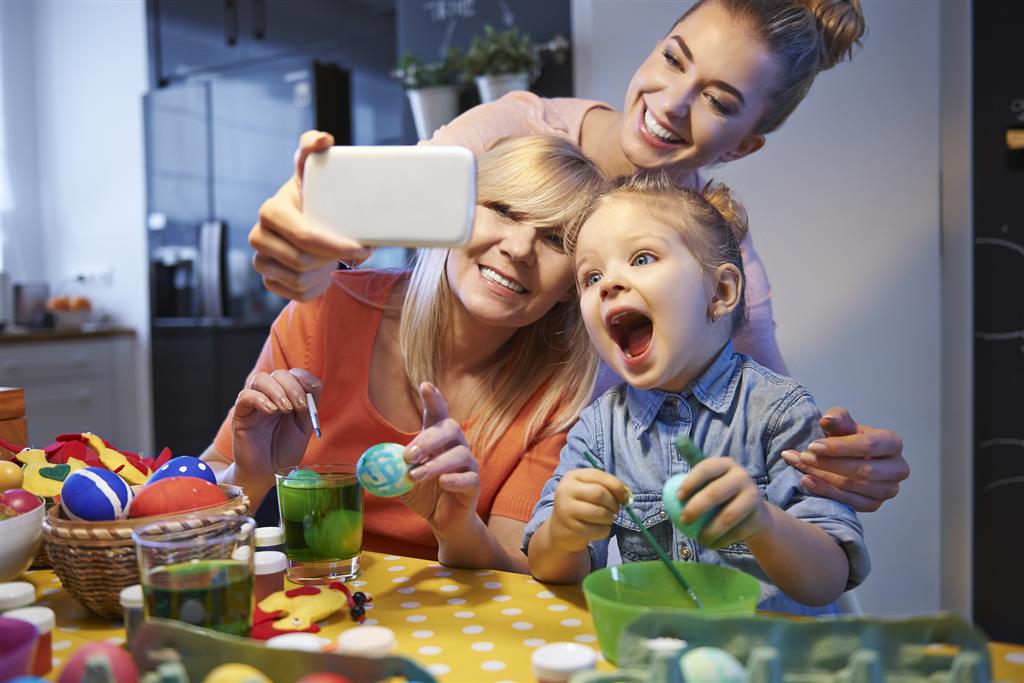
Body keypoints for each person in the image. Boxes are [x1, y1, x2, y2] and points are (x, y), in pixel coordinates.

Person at [246, 0, 909, 514]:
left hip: (568, 530)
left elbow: (771, 411)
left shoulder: (717, 254)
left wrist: (841, 461)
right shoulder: (511, 131)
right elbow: (366, 207)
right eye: (674, 60)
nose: (673, 103)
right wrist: (300, 231)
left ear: (743, 146)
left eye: (718, 100)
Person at [201, 136, 606, 571]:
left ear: (572, 285)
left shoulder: (558, 391)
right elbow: (205, 489)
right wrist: (250, 475)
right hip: (315, 603)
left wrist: (456, 527)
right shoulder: (323, 311)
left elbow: (517, 567)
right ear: (453, 213)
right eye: (505, 210)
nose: (519, 248)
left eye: (556, 239)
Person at [525, 172, 868, 614]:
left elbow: (827, 582)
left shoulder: (779, 413)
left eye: (642, 258)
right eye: (591, 276)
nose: (608, 283)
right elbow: (550, 568)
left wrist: (762, 523)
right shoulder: (598, 429)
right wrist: (563, 531)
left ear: (721, 292)